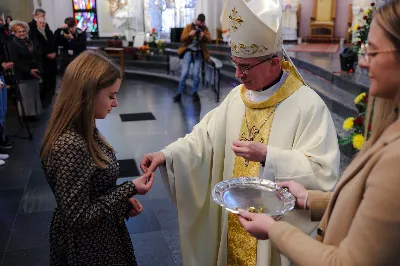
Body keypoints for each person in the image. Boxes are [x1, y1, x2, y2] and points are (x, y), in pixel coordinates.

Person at [140, 0, 340, 265]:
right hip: (233, 219)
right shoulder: (237, 98)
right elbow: (204, 139)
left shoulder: (308, 105)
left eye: (245, 67)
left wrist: (270, 155)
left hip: (274, 233)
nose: (237, 75)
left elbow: (323, 172)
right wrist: (166, 155)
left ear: (274, 63)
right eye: (236, 64)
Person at [237, 1, 400, 265]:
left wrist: (273, 229)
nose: (362, 62)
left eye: (371, 51)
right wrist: (309, 198)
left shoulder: (395, 158)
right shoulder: (392, 127)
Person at [40, 50, 154, 265]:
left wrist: (121, 202)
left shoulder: (85, 128)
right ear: (87, 94)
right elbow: (78, 217)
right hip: (86, 248)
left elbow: (90, 190)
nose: (116, 103)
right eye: (111, 96)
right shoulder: (69, 145)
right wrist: (128, 189)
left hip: (101, 235)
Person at [8, 20, 43, 122]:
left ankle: (32, 114)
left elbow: (37, 55)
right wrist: (29, 71)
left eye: (23, 31)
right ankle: (26, 116)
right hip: (23, 74)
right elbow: (16, 62)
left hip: (34, 72)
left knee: (33, 95)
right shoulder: (12, 45)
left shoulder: (30, 41)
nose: (22, 33)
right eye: (19, 32)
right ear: (14, 33)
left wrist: (39, 69)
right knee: (25, 97)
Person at [173, 13, 211, 102]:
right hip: (188, 53)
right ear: (196, 20)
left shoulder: (205, 29)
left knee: (196, 74)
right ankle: (179, 93)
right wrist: (190, 34)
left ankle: (194, 93)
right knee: (184, 73)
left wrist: (203, 36)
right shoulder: (189, 26)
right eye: (199, 21)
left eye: (202, 22)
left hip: (198, 54)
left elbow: (209, 40)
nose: (200, 23)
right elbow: (182, 38)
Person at [35, 17, 57, 101]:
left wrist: (55, 52)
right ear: (37, 24)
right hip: (43, 60)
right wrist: (47, 54)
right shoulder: (35, 34)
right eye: (40, 23)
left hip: (52, 60)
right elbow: (38, 47)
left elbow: (54, 43)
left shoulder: (49, 32)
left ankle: (52, 96)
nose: (42, 24)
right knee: (45, 80)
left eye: (43, 22)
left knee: (53, 79)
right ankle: (46, 99)